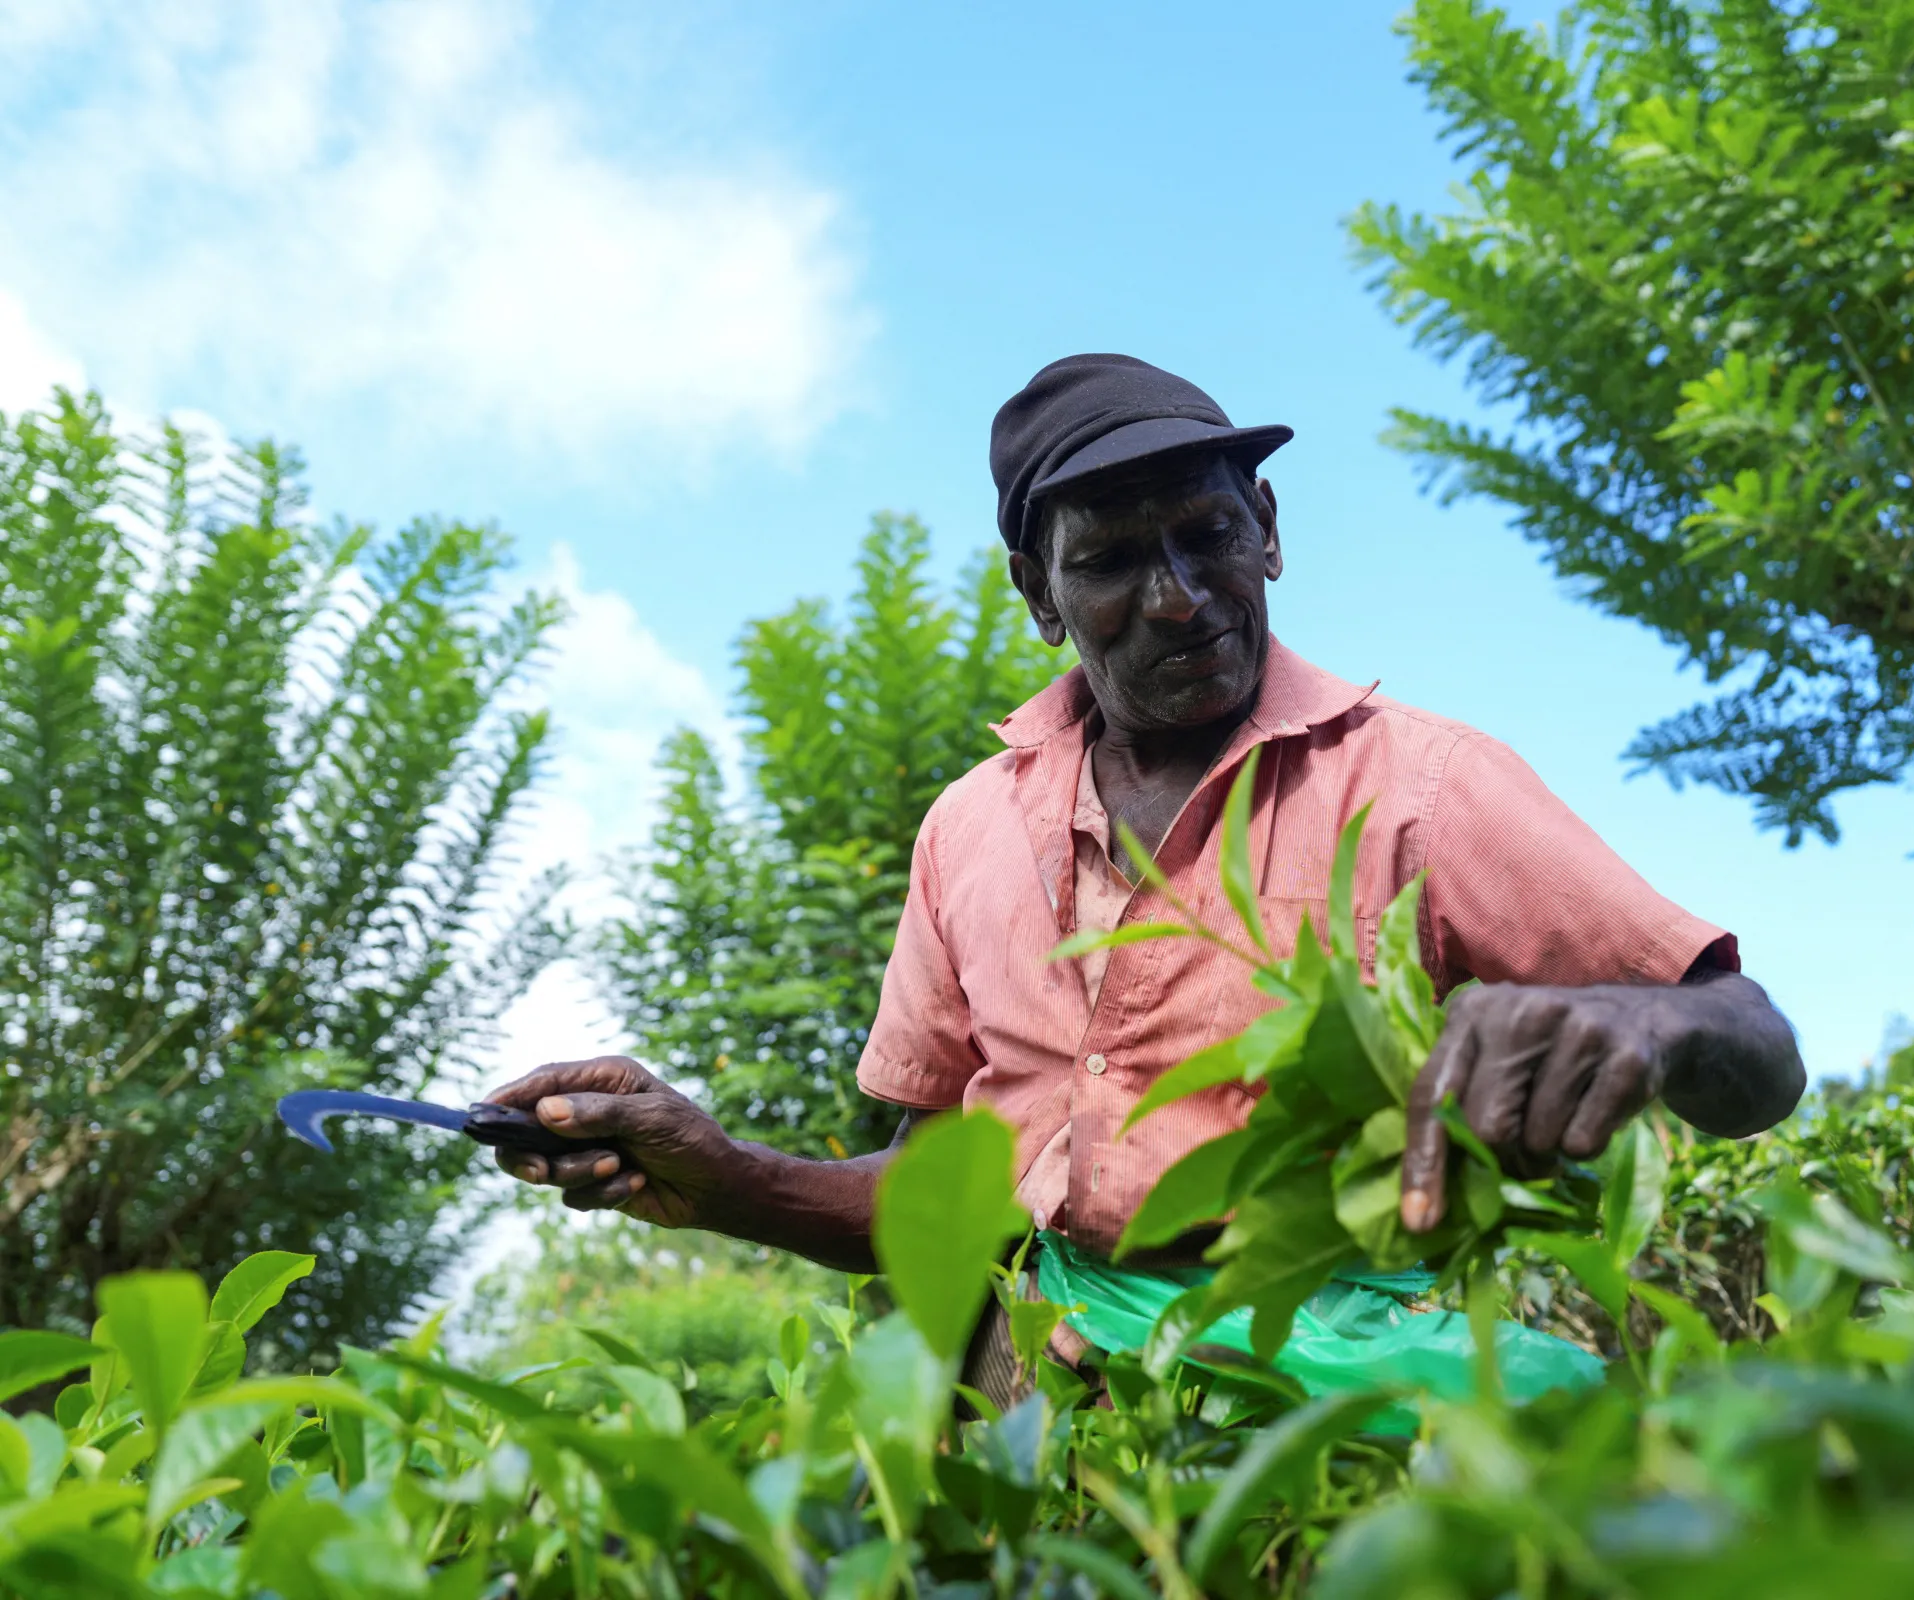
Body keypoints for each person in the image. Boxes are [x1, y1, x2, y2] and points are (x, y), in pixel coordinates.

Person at [488, 354, 1805, 1348]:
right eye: (1113, 559)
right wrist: (722, 1179)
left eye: (1209, 534)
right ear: (1038, 592)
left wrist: (1649, 1028)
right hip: (1038, 1429)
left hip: (1332, 1426)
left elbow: (1758, 1049)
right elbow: (941, 1201)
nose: (1180, 595)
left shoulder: (1424, 787)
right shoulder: (970, 834)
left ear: (1270, 530)